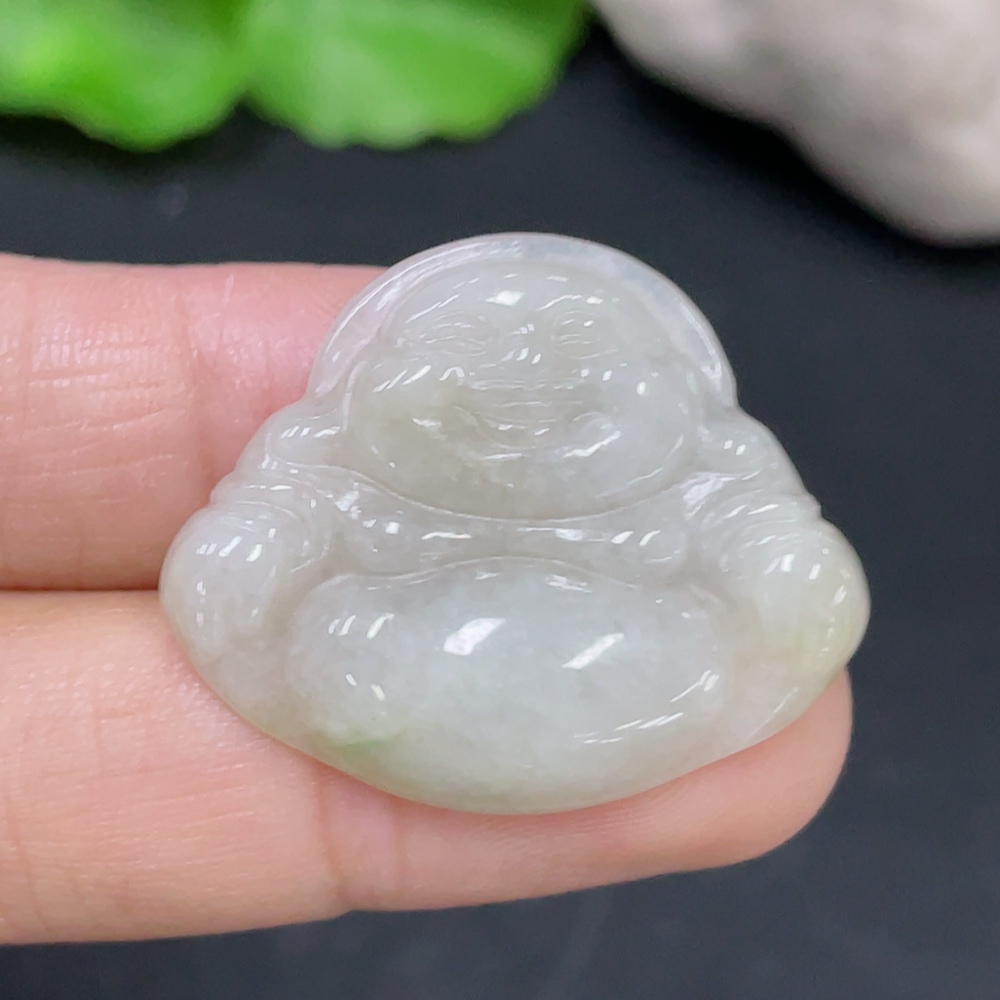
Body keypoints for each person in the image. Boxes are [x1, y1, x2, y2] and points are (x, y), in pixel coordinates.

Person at [0, 255, 852, 944]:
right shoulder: (336, 462)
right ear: (367, 377)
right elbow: (273, 522)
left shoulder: (704, 473)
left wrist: (793, 577)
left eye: (577, 342)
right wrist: (243, 557)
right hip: (387, 644)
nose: (523, 372)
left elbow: (764, 535)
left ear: (680, 389)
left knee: (688, 647)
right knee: (343, 640)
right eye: (465, 339)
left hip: (641, 647)